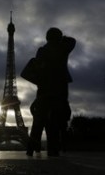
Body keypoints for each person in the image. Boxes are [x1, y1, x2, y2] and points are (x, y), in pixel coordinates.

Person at [26, 27, 76, 157]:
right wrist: (63, 39)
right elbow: (72, 41)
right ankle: (53, 149)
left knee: (38, 120)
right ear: (58, 37)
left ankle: (31, 148)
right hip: (59, 88)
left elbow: (37, 68)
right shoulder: (62, 48)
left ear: (47, 37)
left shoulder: (42, 51)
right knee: (54, 120)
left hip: (44, 89)